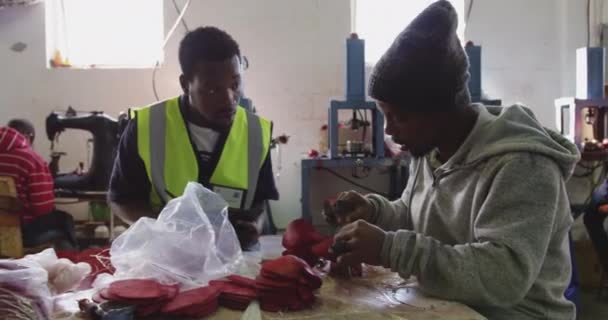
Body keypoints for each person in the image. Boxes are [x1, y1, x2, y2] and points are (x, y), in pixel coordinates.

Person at [324, 2, 578, 319]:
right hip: (447, 305)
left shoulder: (522, 164)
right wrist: (376, 211)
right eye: (385, 116)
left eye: (399, 117)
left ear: (442, 110)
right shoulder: (428, 149)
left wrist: (389, 248)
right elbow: (413, 214)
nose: (390, 130)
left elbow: (503, 278)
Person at [108, 26, 278, 250]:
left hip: (236, 256)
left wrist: (253, 226)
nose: (229, 99)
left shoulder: (256, 133)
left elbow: (258, 203)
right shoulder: (146, 127)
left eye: (235, 84)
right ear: (185, 83)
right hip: (167, 256)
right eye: (211, 90)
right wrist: (167, 231)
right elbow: (122, 199)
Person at [0, 119, 77, 249]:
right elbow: (42, 209)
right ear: (28, 137)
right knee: (64, 220)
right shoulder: (31, 160)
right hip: (22, 233)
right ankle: (74, 258)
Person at [583, 182, 608, 275]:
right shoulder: (602, 194)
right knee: (605, 253)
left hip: (594, 221)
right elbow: (602, 209)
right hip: (594, 224)